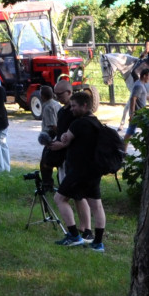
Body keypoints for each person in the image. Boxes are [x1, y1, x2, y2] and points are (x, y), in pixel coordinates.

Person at [48, 91, 108, 251]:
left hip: (78, 171)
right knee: (97, 206)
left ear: (84, 105)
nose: (71, 109)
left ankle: (74, 236)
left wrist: (59, 143)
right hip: (94, 170)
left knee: (60, 198)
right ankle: (98, 243)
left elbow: (64, 139)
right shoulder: (96, 123)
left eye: (74, 106)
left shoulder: (78, 124)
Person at [124, 69, 149, 144]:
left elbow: (143, 96)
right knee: (130, 132)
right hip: (137, 114)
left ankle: (123, 150)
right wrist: (132, 114)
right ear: (144, 76)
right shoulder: (139, 85)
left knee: (131, 131)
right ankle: (123, 150)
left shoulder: (141, 84)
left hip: (140, 113)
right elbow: (133, 98)